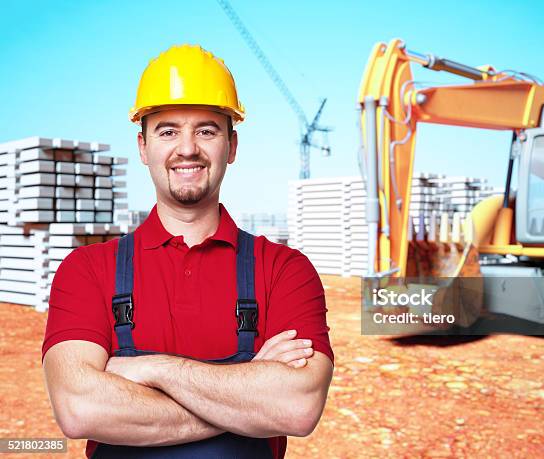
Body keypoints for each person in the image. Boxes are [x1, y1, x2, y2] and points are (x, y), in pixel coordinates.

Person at [42, 44, 334, 458]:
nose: (187, 148)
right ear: (143, 147)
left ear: (231, 147)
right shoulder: (87, 271)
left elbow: (297, 406)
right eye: (167, 131)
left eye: (206, 130)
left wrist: (151, 370)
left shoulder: (285, 270)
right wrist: (250, 391)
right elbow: (79, 408)